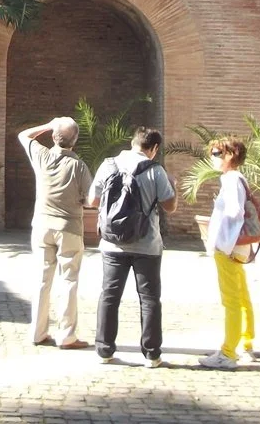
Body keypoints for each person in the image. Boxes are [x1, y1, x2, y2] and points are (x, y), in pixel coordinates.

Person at [88, 127, 177, 368]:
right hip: (147, 245)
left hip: (112, 244)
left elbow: (93, 201)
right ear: (154, 148)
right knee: (149, 299)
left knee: (109, 295)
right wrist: (173, 186)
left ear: (132, 142)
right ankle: (152, 354)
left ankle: (104, 350)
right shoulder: (156, 170)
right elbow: (170, 207)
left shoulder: (108, 165)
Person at [17, 116, 93, 349]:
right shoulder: (79, 166)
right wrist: (80, 200)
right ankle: (66, 335)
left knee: (42, 280)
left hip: (42, 225)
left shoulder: (42, 156)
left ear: (53, 137)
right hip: (69, 228)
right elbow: (91, 199)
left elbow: (23, 135)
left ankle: (37, 332)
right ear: (75, 140)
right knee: (69, 280)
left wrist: (49, 125)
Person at [199, 135, 256, 370]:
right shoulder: (238, 179)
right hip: (237, 247)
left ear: (230, 155)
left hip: (229, 248)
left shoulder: (231, 180)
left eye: (216, 153)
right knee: (241, 296)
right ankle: (246, 341)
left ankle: (228, 352)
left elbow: (234, 212)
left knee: (231, 299)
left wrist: (223, 242)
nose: (212, 158)